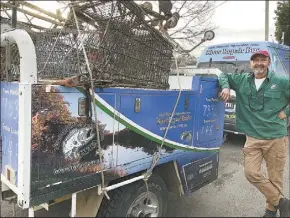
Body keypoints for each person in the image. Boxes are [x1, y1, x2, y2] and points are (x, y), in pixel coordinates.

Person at [218, 50, 290, 217]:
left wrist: (286, 112)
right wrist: (226, 87)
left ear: (268, 62)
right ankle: (282, 202)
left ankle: (270, 212)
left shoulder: (281, 81)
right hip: (252, 137)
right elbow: (223, 75)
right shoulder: (243, 80)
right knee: (251, 172)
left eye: (262, 60)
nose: (259, 63)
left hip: (275, 138)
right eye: (255, 60)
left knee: (275, 177)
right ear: (251, 64)